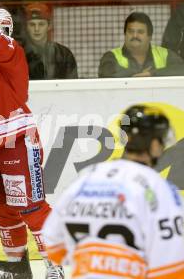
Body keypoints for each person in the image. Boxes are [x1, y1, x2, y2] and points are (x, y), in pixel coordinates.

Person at [0, 5, 64, 278]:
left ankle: (55, 265)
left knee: (31, 207)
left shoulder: (11, 53)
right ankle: (18, 270)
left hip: (17, 139)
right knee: (1, 211)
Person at [42, 104, 184, 278]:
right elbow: (172, 265)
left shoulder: (86, 179)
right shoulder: (159, 189)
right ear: (154, 145)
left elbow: (53, 243)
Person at [99, 12, 184, 78]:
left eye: (140, 32)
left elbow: (181, 69)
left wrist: (152, 73)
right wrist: (142, 75)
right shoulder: (111, 56)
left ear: (149, 37)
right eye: (131, 31)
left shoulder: (165, 54)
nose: (135, 35)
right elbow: (106, 75)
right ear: (125, 34)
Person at [22, 3, 78, 80]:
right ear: (26, 27)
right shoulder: (17, 55)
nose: (37, 29)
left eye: (41, 24)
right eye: (32, 24)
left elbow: (72, 84)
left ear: (49, 26)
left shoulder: (64, 54)